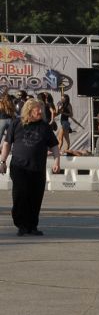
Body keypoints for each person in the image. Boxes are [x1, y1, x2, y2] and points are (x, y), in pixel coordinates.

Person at [0, 98, 61, 236]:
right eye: (37, 109)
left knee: (35, 197)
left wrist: (57, 161)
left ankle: (32, 226)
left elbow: (54, 146)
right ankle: (21, 225)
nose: (40, 111)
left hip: (38, 168)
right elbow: (7, 144)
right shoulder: (16, 123)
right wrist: (2, 162)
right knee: (20, 196)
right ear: (29, 110)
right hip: (19, 167)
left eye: (41, 109)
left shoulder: (44, 127)